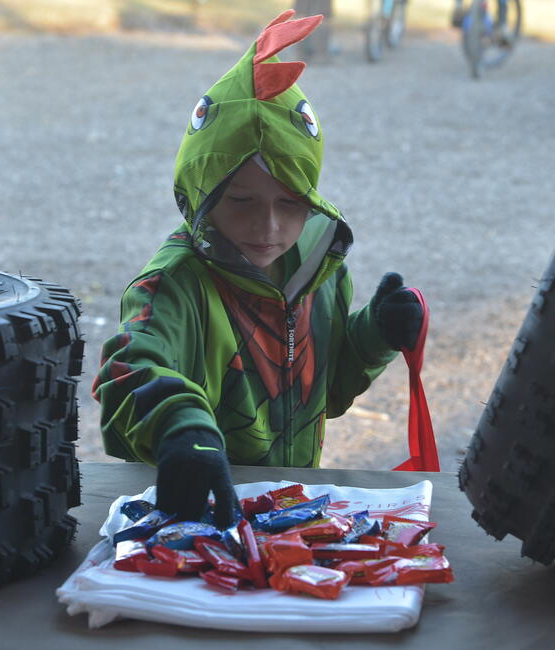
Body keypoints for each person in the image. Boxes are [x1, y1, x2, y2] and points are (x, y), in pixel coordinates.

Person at [92, 10, 424, 528]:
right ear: (201, 197)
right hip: (198, 514)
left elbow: (325, 392)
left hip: (289, 511)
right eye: (242, 200)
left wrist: (373, 336)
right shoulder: (175, 285)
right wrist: (181, 430)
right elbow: (131, 368)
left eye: (290, 204)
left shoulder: (322, 272)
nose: (268, 227)